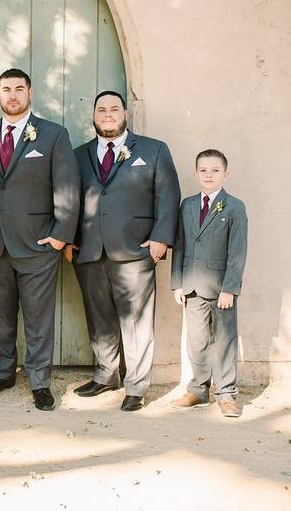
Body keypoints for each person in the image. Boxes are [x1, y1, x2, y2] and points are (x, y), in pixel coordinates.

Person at [0, 68, 79, 411]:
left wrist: (60, 236)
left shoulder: (52, 135)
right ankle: (3, 372)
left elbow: (68, 186)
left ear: (30, 93)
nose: (13, 95)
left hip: (38, 244)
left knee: (37, 316)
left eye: (19, 89)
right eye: (6, 89)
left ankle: (40, 381)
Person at [68, 90, 180, 412]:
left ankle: (136, 385)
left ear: (125, 114)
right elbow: (68, 199)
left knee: (136, 323)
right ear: (93, 115)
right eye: (101, 109)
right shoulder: (78, 156)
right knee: (99, 318)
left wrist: (161, 240)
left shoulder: (153, 150)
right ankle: (106, 375)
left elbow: (168, 196)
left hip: (135, 251)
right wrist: (70, 240)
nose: (107, 114)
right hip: (88, 250)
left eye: (114, 109)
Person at [170, 149, 248, 417]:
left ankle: (226, 394)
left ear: (225, 174)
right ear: (196, 173)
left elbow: (237, 252)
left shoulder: (235, 206)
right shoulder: (188, 205)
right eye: (203, 170)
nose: (209, 175)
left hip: (220, 288)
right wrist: (177, 283)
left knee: (225, 341)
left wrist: (230, 288)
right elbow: (180, 245)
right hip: (192, 286)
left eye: (215, 170)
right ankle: (198, 390)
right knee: (197, 340)